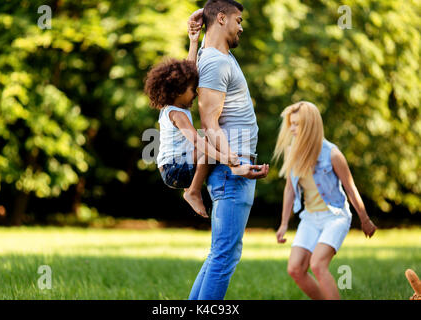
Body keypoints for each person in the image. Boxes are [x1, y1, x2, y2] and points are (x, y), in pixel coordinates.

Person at [187, 0, 269, 300]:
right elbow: (209, 123)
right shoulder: (216, 62)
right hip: (230, 171)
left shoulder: (217, 56)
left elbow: (191, 68)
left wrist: (196, 32)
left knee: (219, 255)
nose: (241, 26)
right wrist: (235, 162)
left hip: (230, 169)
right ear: (222, 19)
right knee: (224, 258)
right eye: (238, 19)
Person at [273, 101, 378, 300]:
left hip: (335, 216)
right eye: (291, 123)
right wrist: (284, 223)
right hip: (310, 218)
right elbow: (289, 189)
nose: (292, 128)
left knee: (318, 264)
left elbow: (350, 188)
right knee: (295, 269)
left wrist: (364, 219)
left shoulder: (332, 154)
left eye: (297, 124)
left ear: (310, 125)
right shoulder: (292, 151)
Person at [144, 18, 240, 218]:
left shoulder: (172, 105)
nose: (196, 93)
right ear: (177, 91)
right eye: (191, 90)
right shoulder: (177, 115)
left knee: (210, 143)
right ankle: (194, 191)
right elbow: (195, 140)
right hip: (175, 169)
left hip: (173, 166)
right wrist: (225, 158)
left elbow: (188, 69)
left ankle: (193, 189)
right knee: (209, 143)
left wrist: (193, 41)